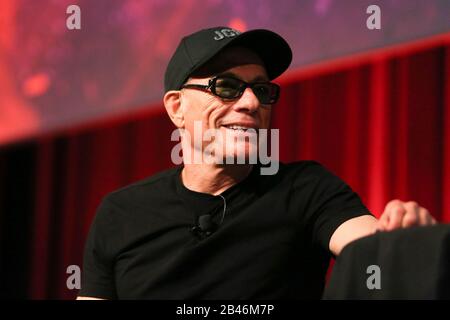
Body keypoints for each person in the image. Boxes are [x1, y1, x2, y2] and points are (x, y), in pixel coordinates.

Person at [77, 27, 436, 300]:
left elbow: (370, 248)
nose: (251, 103)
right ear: (176, 108)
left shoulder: (305, 188)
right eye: (227, 86)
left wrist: (404, 241)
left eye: (262, 90)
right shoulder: (120, 212)